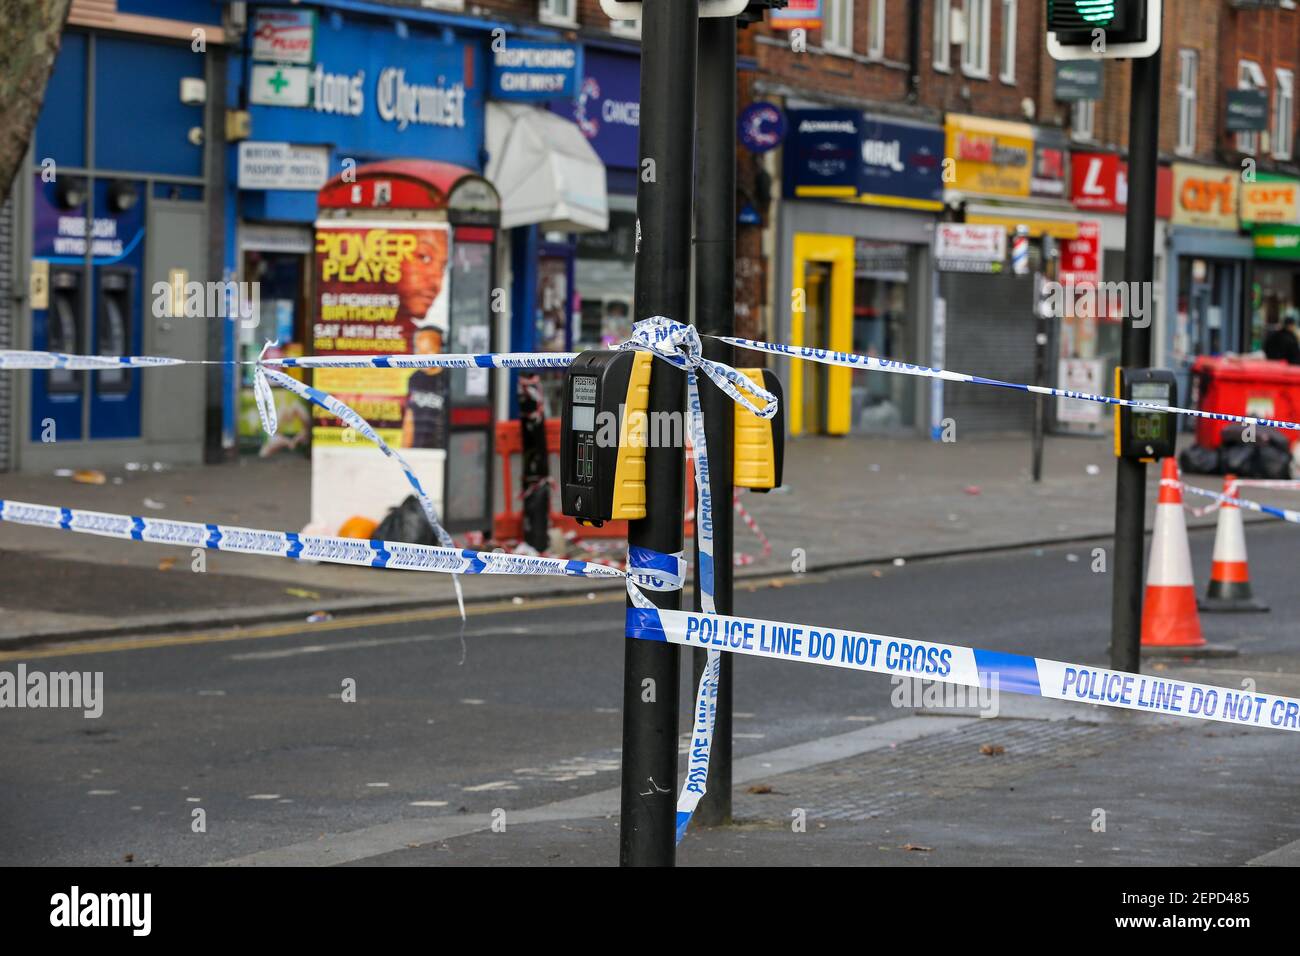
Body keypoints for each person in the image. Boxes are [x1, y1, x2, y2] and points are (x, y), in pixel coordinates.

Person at [401, 312, 450, 449]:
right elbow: (409, 420)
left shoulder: (450, 378)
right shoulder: (415, 378)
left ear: (442, 349)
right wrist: (405, 450)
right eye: (419, 351)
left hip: (444, 452)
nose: (423, 357)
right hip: (419, 450)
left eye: (428, 350)